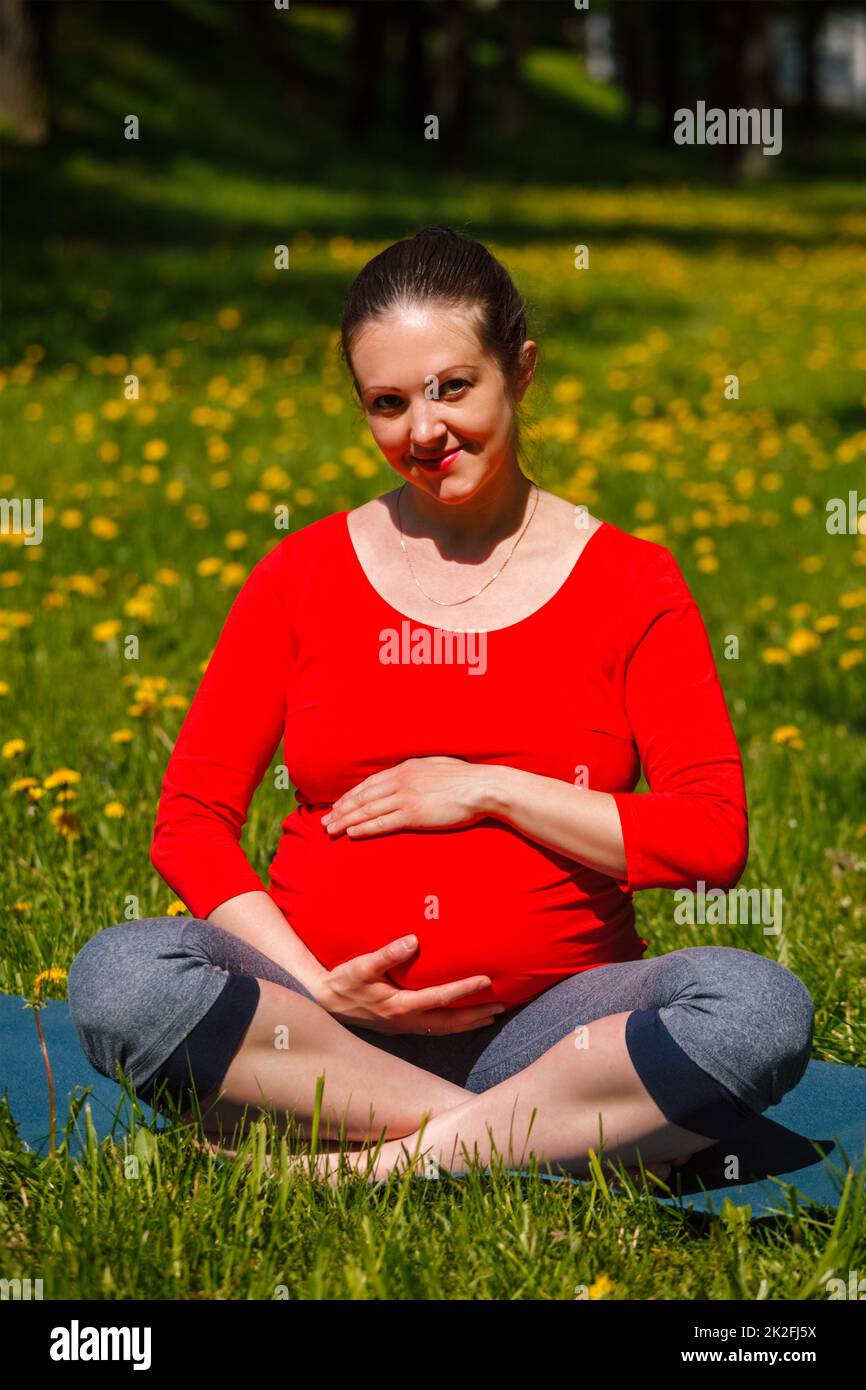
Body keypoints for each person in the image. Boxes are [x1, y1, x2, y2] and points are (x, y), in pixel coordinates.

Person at [68, 226, 814, 1184]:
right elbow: (190, 823)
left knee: (756, 1008)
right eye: (387, 403)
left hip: (552, 1034)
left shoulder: (633, 582)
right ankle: (519, 1139)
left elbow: (709, 840)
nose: (423, 431)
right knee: (121, 977)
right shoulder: (301, 576)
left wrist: (489, 789)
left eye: (453, 387)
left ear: (522, 370)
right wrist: (316, 985)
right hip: (322, 1030)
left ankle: (364, 1166)